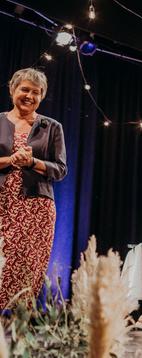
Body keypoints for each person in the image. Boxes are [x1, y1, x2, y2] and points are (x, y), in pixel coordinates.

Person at [0, 68, 67, 309]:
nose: (29, 95)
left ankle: (16, 326)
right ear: (12, 90)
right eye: (24, 89)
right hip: (3, 204)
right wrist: (11, 160)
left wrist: (32, 162)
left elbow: (60, 169)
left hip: (36, 209)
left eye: (36, 92)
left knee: (28, 267)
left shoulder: (52, 127)